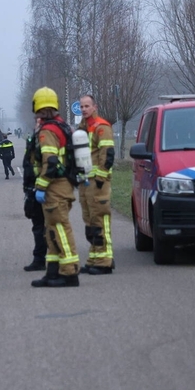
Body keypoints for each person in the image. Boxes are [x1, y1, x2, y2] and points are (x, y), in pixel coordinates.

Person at [29, 87, 80, 287]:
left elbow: (49, 162)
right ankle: (52, 272)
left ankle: (69, 273)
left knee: (59, 230)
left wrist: (41, 186)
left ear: (37, 105)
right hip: (62, 186)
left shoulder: (48, 130)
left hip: (55, 188)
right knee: (51, 231)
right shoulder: (62, 126)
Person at [77, 94, 116, 275]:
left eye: (87, 106)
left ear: (95, 107)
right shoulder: (81, 128)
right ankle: (94, 257)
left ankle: (104, 261)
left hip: (97, 183)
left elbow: (107, 155)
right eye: (81, 106)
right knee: (90, 222)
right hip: (85, 183)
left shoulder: (102, 127)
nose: (84, 109)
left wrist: (100, 179)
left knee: (100, 220)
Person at [21, 116, 48, 272]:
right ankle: (40, 258)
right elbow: (28, 163)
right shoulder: (33, 139)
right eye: (37, 121)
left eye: (41, 121)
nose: (38, 124)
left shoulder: (47, 139)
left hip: (44, 187)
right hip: (32, 187)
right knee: (37, 225)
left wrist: (42, 185)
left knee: (46, 226)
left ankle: (47, 259)